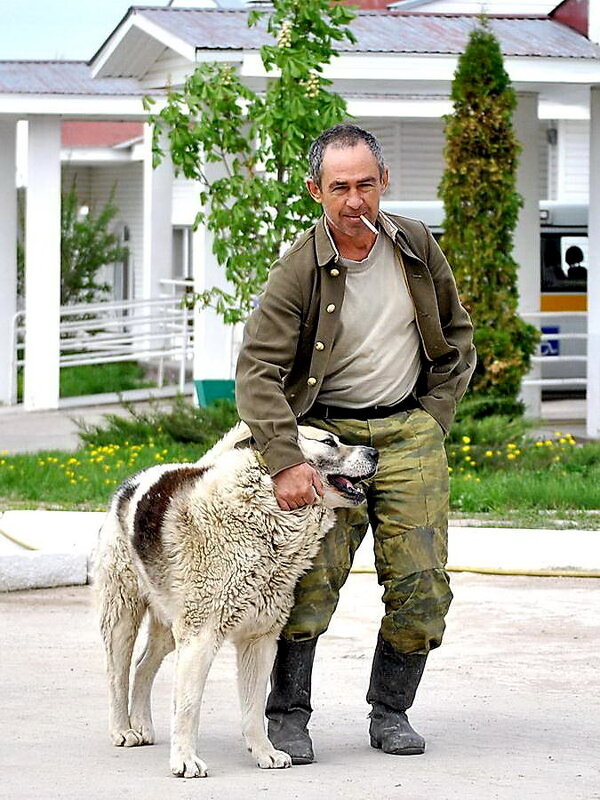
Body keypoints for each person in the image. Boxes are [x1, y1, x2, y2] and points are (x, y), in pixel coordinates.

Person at [235, 124, 476, 764]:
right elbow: (257, 369)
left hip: (408, 430)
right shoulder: (298, 269)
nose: (354, 200)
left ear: (384, 182)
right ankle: (287, 715)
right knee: (307, 585)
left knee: (422, 585)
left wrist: (433, 417)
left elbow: (457, 334)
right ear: (317, 190)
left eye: (365, 184)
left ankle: (391, 712)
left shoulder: (417, 244)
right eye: (339, 187)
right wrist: (285, 459)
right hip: (328, 438)